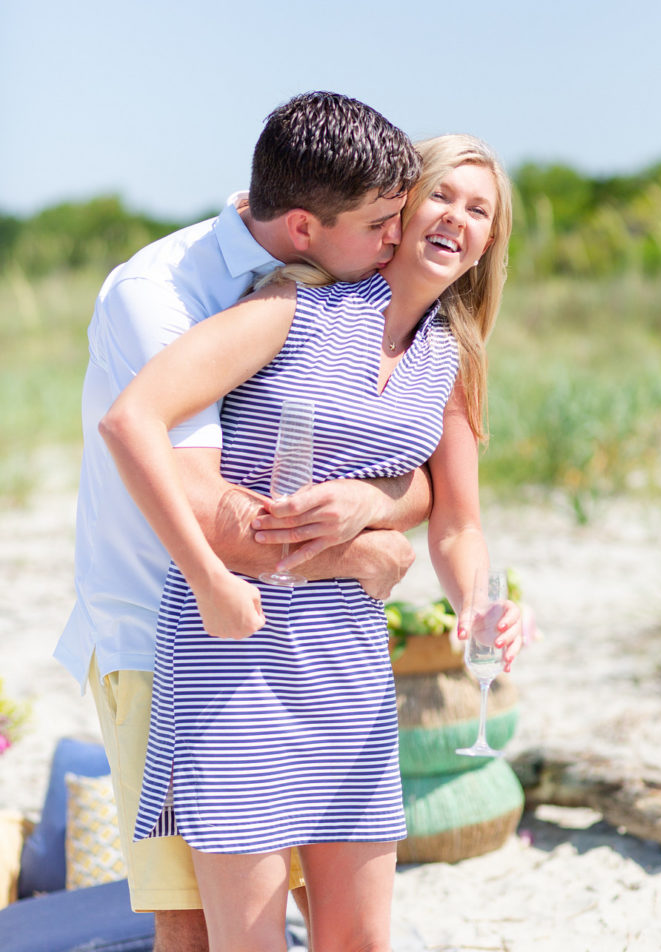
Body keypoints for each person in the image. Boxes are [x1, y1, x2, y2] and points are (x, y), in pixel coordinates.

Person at [100, 134, 523, 952]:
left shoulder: (450, 362)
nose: (457, 220)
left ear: (487, 248)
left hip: (349, 668)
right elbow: (133, 419)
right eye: (443, 197)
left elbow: (459, 523)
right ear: (400, 212)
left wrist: (476, 601)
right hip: (235, 664)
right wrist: (209, 579)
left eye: (480, 213)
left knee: (359, 943)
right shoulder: (289, 307)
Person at [54, 91, 434, 952]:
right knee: (193, 925)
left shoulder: (341, 285)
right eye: (382, 222)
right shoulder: (158, 298)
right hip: (163, 634)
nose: (394, 241)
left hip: (293, 639)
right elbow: (215, 518)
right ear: (302, 226)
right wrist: (365, 550)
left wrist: (377, 506)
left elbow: (408, 471)